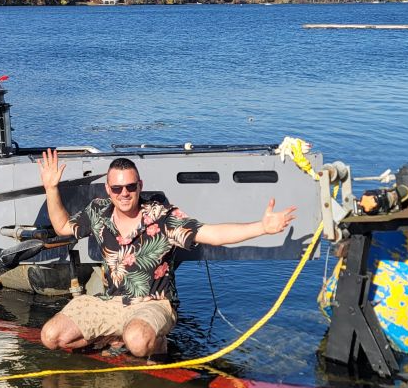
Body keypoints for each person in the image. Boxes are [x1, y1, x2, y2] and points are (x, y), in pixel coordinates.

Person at [37, 149, 297, 360]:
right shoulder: (98, 211)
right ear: (108, 190)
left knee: (138, 341)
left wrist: (262, 228)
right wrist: (51, 188)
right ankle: (116, 334)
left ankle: (155, 342)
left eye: (130, 187)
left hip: (154, 302)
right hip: (111, 301)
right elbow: (62, 227)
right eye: (117, 189)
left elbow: (213, 234)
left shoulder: (163, 217)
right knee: (51, 336)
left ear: (140, 186)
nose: (124, 193)